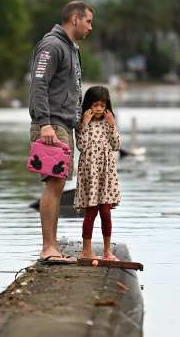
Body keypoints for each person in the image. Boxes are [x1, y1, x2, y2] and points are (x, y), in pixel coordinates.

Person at [29, 1, 94, 264]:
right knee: (53, 185)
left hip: (62, 125)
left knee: (58, 185)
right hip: (51, 125)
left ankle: (53, 247)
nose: (91, 27)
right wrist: (44, 123)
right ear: (75, 19)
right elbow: (39, 85)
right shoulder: (52, 45)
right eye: (88, 21)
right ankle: (48, 249)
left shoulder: (71, 47)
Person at [74, 86, 121, 261]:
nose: (99, 109)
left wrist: (112, 126)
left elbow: (116, 146)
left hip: (106, 174)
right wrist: (85, 124)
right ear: (89, 105)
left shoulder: (108, 124)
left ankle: (107, 251)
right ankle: (86, 251)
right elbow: (81, 146)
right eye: (95, 105)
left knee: (106, 212)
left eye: (102, 105)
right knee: (91, 211)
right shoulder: (82, 124)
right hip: (90, 173)